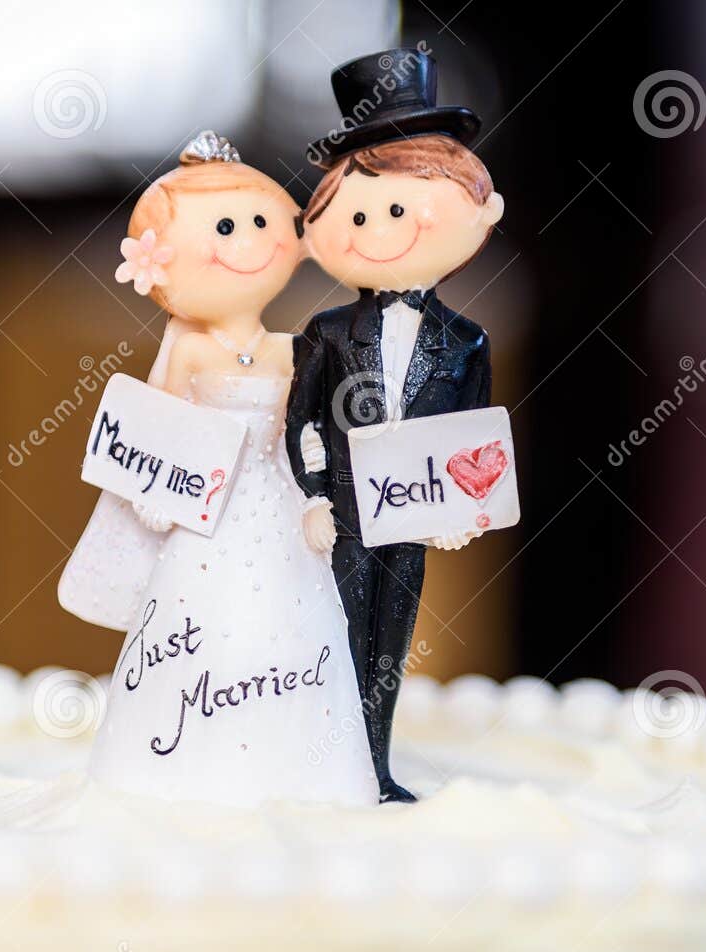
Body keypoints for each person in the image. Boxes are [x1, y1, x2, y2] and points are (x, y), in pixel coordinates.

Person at [62, 132, 377, 807]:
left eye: (264, 222)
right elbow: (161, 422)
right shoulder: (190, 348)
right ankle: (183, 768)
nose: (252, 241)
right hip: (205, 515)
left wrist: (319, 496)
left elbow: (311, 429)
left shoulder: (295, 349)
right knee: (202, 626)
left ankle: (301, 768)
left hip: (278, 504)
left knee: (292, 624)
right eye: (229, 227)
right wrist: (155, 491)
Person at [286, 50, 506, 802]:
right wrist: (312, 497)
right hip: (343, 519)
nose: (383, 230)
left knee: (390, 645)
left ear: (482, 213)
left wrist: (464, 511)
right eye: (359, 213)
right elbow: (302, 422)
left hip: (411, 526)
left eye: (407, 208)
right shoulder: (324, 334)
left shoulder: (468, 342)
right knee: (334, 639)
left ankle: (373, 766)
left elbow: (475, 439)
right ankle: (324, 761)